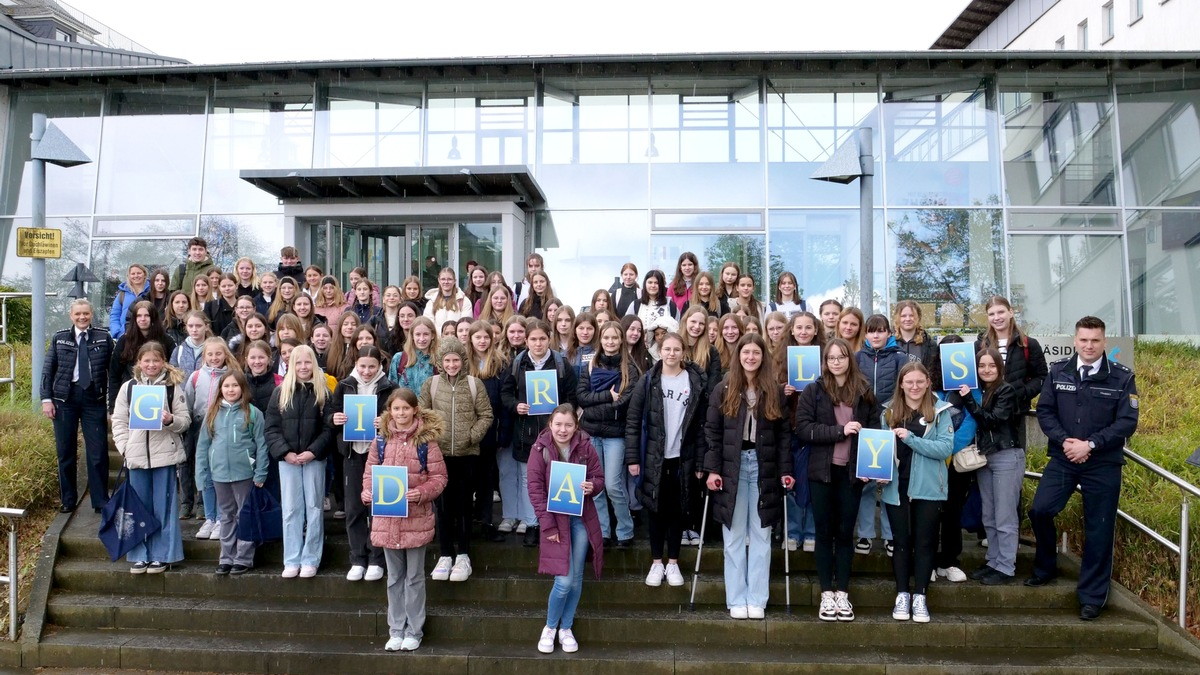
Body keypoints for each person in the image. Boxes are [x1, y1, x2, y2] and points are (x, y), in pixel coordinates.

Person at [1029, 316, 1138, 621]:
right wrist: (1066, 441)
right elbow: (1046, 410)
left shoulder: (1122, 378)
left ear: (1105, 342)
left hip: (1102, 462)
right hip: (1064, 457)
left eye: (1095, 340)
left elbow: (1127, 422)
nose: (1089, 346)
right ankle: (1046, 566)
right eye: (1083, 340)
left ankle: (1091, 597)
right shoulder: (1059, 370)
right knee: (1040, 510)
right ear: (1075, 341)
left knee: (1099, 529)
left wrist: (1089, 445)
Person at [703, 333, 793, 620]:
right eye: (746, 353)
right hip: (733, 466)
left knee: (761, 535)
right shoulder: (724, 387)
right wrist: (712, 468)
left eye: (756, 353)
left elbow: (783, 436)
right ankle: (736, 598)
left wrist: (786, 470)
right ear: (738, 356)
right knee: (733, 536)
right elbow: (712, 432)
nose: (751, 357)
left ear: (763, 357)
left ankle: (757, 598)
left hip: (763, 466)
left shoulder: (774, 391)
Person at [795, 337, 879, 621]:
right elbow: (804, 429)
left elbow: (875, 432)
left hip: (852, 473)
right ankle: (825, 595)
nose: (836, 362)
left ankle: (842, 593)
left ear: (849, 359)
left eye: (841, 357)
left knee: (845, 534)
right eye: (831, 358)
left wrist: (872, 464)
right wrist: (840, 431)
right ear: (825, 362)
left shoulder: (865, 391)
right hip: (822, 471)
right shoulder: (814, 390)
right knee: (823, 532)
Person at [362, 388, 448, 652]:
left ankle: (414, 629)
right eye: (396, 409)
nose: (401, 414)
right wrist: (367, 492)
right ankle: (396, 629)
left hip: (416, 518)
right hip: (388, 519)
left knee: (414, 577)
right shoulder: (379, 442)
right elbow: (369, 474)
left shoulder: (426, 443)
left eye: (405, 409)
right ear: (390, 411)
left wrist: (421, 493)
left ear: (414, 410)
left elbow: (440, 478)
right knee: (394, 577)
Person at [625, 332, 705, 585]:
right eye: (666, 349)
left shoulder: (694, 380)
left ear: (684, 352)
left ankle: (673, 563)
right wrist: (633, 458)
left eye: (676, 349)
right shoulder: (649, 380)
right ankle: (656, 562)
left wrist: (701, 462)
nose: (671, 354)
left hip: (682, 458)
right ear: (659, 351)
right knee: (655, 510)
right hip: (653, 457)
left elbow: (702, 426)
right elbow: (633, 420)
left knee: (677, 511)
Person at [881, 362, 954, 624]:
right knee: (900, 543)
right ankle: (902, 594)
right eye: (909, 382)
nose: (914, 387)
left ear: (927, 383)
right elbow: (879, 449)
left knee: (925, 543)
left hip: (929, 488)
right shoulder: (888, 412)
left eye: (919, 382)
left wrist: (911, 439)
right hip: (897, 487)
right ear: (901, 384)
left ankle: (920, 596)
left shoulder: (940, 411)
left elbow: (945, 449)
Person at [527, 405, 604, 655]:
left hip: (580, 519)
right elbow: (535, 489)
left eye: (568, 425)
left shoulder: (585, 446)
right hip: (555, 521)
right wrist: (547, 524)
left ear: (576, 426)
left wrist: (592, 486)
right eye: (558, 424)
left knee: (577, 578)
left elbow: (599, 477)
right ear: (550, 424)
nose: (563, 430)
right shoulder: (540, 449)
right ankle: (550, 627)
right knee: (564, 581)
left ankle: (566, 627)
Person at [110, 341, 190, 573]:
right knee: (138, 509)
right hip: (136, 458)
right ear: (139, 362)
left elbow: (185, 421)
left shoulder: (173, 387)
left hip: (164, 456)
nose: (151, 364)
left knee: (163, 508)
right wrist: (125, 447)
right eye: (147, 360)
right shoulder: (129, 388)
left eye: (156, 360)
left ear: (163, 362)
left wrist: (169, 420)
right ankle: (140, 554)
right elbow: (119, 421)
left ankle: (163, 555)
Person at [418, 338, 493, 583]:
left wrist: (472, 436)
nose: (451, 364)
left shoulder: (474, 384)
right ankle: (445, 554)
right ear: (440, 361)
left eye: (456, 360)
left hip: (466, 455)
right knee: (443, 506)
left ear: (462, 360)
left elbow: (485, 414)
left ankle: (463, 554)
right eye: (447, 360)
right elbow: (421, 415)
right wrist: (433, 438)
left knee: (463, 506)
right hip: (439, 456)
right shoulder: (431, 384)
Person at [500, 319, 579, 547]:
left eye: (542, 339)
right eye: (533, 339)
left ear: (549, 339)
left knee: (556, 478)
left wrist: (562, 415)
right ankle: (532, 523)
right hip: (525, 432)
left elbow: (572, 396)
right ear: (526, 341)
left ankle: (559, 524)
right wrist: (516, 406)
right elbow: (506, 394)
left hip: (556, 433)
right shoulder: (517, 363)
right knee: (529, 480)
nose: (538, 343)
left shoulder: (561, 363)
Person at [951, 348, 1021, 585]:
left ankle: (1006, 566)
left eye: (991, 365)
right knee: (989, 515)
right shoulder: (981, 391)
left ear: (1000, 367)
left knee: (1005, 515)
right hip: (984, 458)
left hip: (1005, 455)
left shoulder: (1006, 390)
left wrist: (969, 400)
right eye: (982, 366)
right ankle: (993, 561)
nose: (986, 370)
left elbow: (992, 420)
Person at [266, 345, 334, 578]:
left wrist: (313, 452)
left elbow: (328, 429)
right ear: (291, 365)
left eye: (307, 362)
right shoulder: (280, 392)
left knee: (314, 508)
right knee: (291, 509)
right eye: (299, 363)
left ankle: (311, 558)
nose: (303, 367)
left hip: (314, 459)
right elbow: (272, 428)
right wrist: (285, 453)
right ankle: (292, 558)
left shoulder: (323, 391)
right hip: (288, 460)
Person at [330, 346, 396, 582]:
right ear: (355, 364)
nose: (367, 371)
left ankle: (377, 559)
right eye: (362, 366)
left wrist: (387, 422)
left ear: (380, 366)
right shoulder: (344, 385)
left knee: (378, 507)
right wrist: (335, 419)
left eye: (372, 366)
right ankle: (358, 558)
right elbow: (331, 413)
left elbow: (400, 416)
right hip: (353, 453)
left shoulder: (390, 388)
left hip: (379, 454)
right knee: (355, 507)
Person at [42, 299, 114, 513]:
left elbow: (113, 370)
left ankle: (100, 500)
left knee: (98, 452)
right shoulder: (59, 338)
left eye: (86, 314)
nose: (82, 317)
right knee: (65, 451)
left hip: (94, 399)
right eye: (78, 314)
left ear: (91, 314)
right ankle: (68, 499)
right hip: (65, 399)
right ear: (71, 316)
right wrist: (46, 399)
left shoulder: (104, 337)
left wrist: (112, 402)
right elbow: (48, 371)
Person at [196, 369, 269, 575]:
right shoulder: (212, 413)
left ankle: (243, 558)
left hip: (244, 473)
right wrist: (202, 475)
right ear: (220, 389)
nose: (230, 389)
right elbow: (203, 446)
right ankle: (226, 557)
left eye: (235, 385)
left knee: (244, 515)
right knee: (226, 516)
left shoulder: (252, 413)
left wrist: (260, 472)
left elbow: (261, 445)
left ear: (242, 389)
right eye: (226, 386)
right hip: (219, 474)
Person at [579, 320, 640, 548]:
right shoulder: (591, 365)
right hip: (592, 432)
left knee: (613, 484)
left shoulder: (629, 369)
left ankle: (625, 530)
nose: (610, 342)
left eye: (614, 338)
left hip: (616, 435)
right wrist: (606, 397)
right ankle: (603, 531)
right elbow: (581, 397)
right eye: (606, 338)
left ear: (621, 340)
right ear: (600, 340)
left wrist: (596, 407)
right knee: (595, 486)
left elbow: (625, 403)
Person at [977, 295, 1049, 449]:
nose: (997, 318)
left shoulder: (1029, 344)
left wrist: (1021, 392)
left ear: (1011, 312)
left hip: (1015, 415)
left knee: (1014, 461)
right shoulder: (980, 345)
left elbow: (1042, 377)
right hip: (986, 414)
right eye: (991, 314)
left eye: (1001, 312)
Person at [184, 337, 237, 537]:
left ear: (225, 354)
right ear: (204, 356)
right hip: (200, 428)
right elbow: (188, 403)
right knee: (204, 473)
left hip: (224, 428)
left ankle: (222, 518)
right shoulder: (196, 376)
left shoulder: (233, 375)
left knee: (221, 474)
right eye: (210, 354)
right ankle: (209, 517)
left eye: (218, 353)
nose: (214, 358)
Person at [108, 301, 176, 412]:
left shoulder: (166, 340)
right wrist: (113, 406)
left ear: (153, 317)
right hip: (130, 393)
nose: (142, 319)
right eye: (139, 316)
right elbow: (114, 375)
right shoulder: (124, 341)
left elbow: (173, 369)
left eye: (146, 315)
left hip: (159, 395)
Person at [389, 316, 439, 394]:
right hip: (405, 405)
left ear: (432, 335)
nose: (421, 339)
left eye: (426, 334)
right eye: (418, 334)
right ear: (412, 336)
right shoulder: (399, 359)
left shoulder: (439, 359)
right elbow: (392, 391)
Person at [892, 300, 937, 370]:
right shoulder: (889, 343)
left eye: (912, 315)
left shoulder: (929, 345)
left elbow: (932, 372)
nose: (908, 319)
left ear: (918, 317)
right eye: (903, 316)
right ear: (897, 318)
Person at [109, 263, 149, 340]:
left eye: (139, 273)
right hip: (126, 337)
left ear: (144, 275)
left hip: (148, 337)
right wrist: (118, 333)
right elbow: (114, 315)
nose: (136, 276)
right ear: (129, 276)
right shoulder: (122, 295)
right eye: (133, 274)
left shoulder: (151, 292)